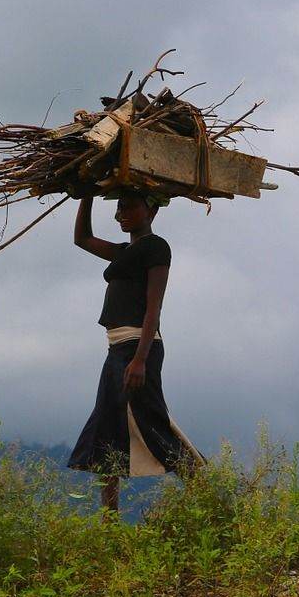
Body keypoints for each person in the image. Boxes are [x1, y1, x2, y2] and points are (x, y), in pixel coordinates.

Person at [67, 192, 203, 513]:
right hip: (117, 349)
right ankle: (109, 522)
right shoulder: (126, 251)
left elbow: (154, 308)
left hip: (139, 347)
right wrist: (84, 194)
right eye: (118, 207)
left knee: (152, 422)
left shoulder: (156, 247)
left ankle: (201, 487)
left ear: (151, 210)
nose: (121, 214)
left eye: (129, 206)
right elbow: (82, 239)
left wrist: (140, 359)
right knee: (107, 428)